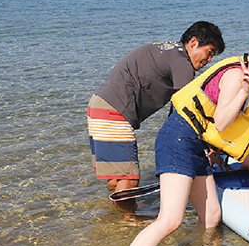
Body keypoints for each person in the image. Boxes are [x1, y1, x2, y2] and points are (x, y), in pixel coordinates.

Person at [99, 33, 249, 246]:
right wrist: (242, 93)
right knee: (171, 219)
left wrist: (246, 162)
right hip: (179, 139)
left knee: (211, 216)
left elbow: (237, 126)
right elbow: (223, 122)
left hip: (195, 144)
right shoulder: (240, 76)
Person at [87, 21, 225, 195]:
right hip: (115, 110)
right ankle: (129, 220)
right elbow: (189, 111)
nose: (209, 60)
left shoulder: (170, 51)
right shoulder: (182, 62)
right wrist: (211, 148)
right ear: (194, 42)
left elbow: (176, 111)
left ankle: (115, 219)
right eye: (209, 52)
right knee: (129, 178)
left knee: (116, 177)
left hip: (98, 105)